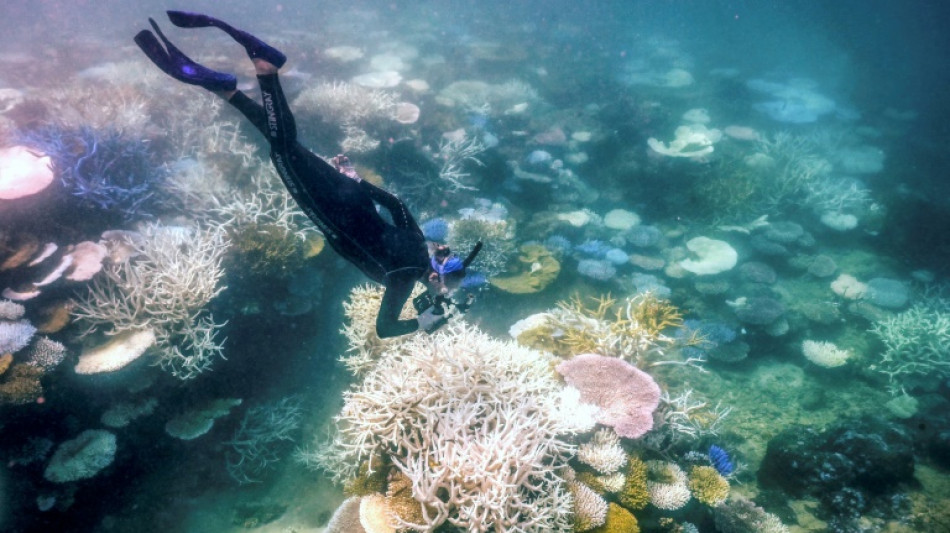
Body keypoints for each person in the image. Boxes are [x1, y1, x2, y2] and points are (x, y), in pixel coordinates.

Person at [134, 12, 480, 338]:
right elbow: (385, 328)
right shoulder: (403, 278)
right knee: (282, 151)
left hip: (350, 195)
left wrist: (355, 180)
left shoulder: (420, 243)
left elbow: (396, 204)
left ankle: (226, 90)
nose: (441, 293)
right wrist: (421, 322)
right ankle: (266, 71)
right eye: (444, 288)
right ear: (436, 277)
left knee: (288, 146)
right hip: (328, 207)